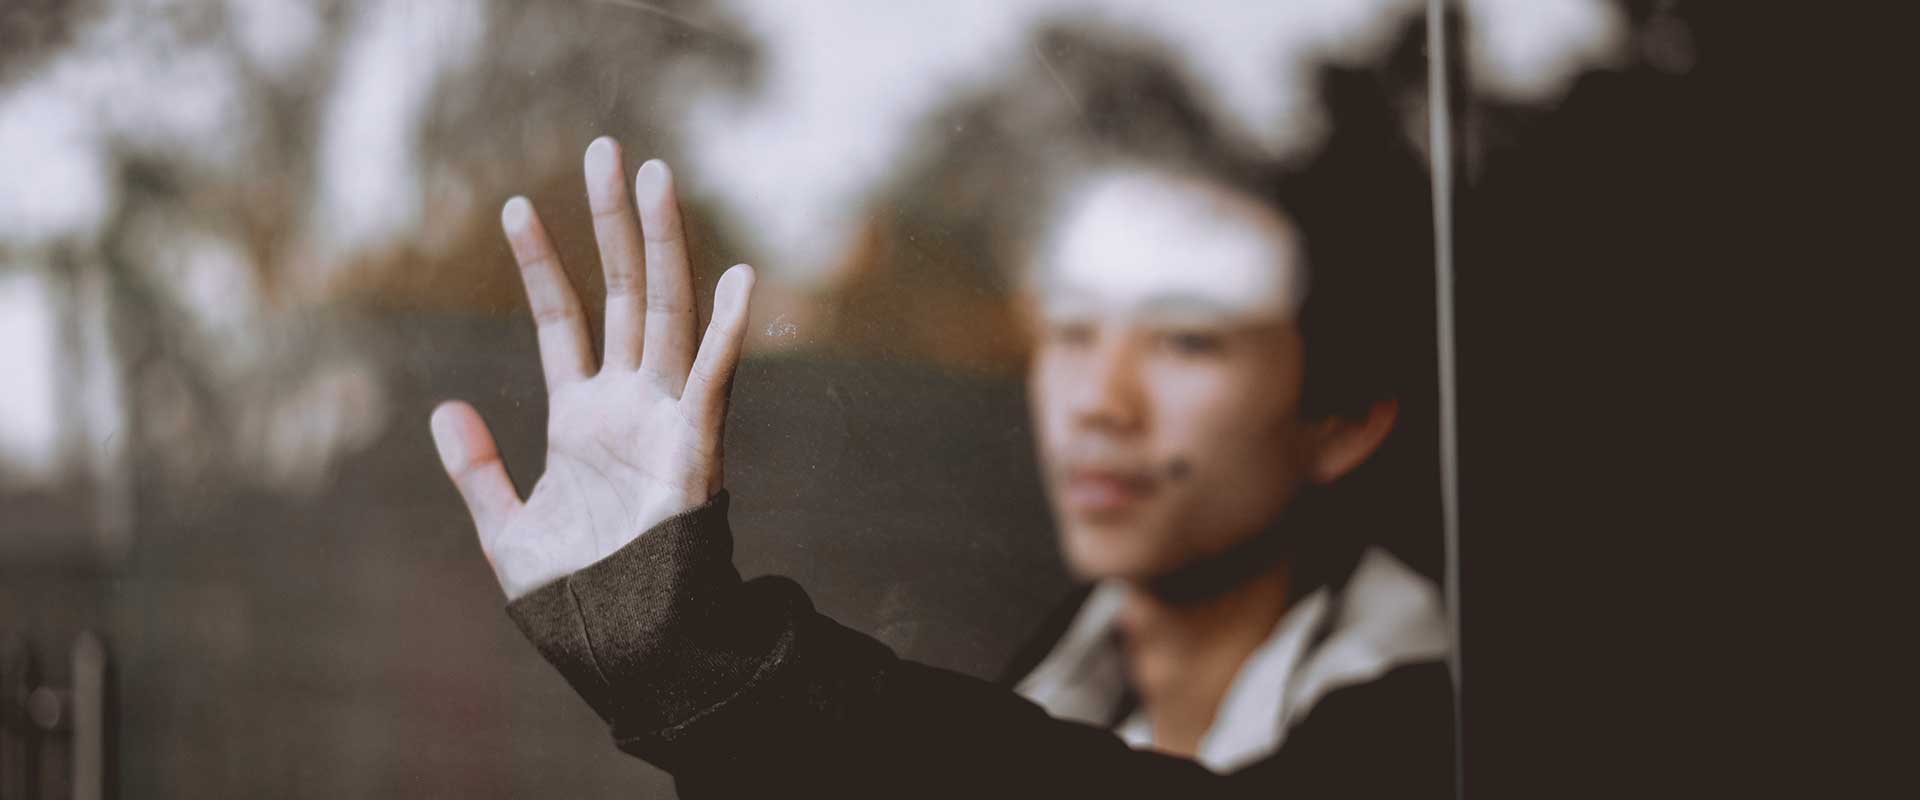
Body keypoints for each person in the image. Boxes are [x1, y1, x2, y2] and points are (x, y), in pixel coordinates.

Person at [427, 71, 1451, 798]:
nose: (1100, 398)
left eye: (1187, 340)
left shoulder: (1448, 723)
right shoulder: (1048, 677)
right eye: (1073, 331)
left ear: (1346, 419)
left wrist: (716, 669)